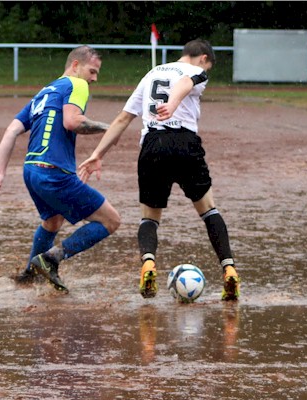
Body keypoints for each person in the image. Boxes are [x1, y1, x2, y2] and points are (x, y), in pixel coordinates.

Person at [78, 39, 240, 301]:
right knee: (209, 210)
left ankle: (149, 264)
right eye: (207, 66)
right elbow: (185, 84)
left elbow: (122, 119)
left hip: (153, 145)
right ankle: (229, 269)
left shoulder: (152, 73)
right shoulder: (196, 72)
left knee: (150, 218)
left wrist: (97, 154)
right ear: (203, 59)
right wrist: (174, 103)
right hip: (185, 143)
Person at [0, 46, 120, 293]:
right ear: (75, 65)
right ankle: (51, 258)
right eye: (92, 71)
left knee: (53, 221)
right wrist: (110, 129)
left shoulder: (44, 92)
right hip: (54, 173)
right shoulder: (77, 85)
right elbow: (72, 121)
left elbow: (12, 131)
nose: (94, 78)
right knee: (111, 220)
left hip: (31, 171)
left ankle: (29, 274)